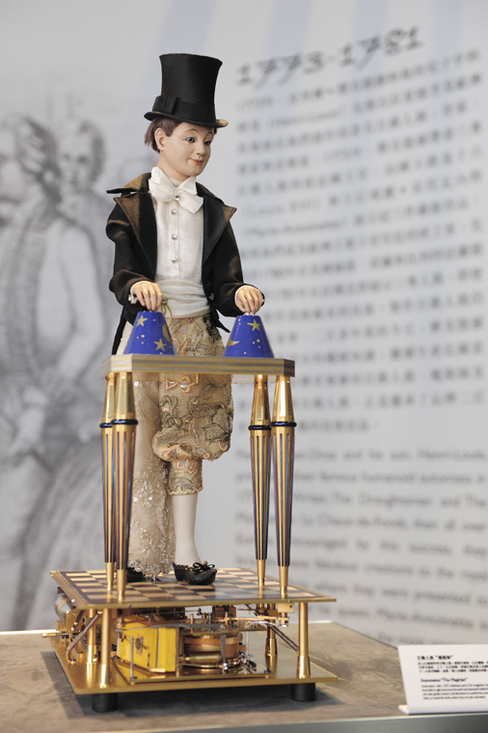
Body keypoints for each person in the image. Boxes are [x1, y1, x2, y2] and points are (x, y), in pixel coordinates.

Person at [106, 53, 263, 585]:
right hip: (147, 336)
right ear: (161, 138)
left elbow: (224, 282)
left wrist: (239, 292)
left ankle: (186, 552)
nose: (201, 150)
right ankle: (138, 554)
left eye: (207, 141)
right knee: (139, 443)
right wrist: (136, 286)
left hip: (195, 335)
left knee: (187, 444)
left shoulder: (213, 211)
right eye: (191, 138)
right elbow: (122, 273)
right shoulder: (132, 205)